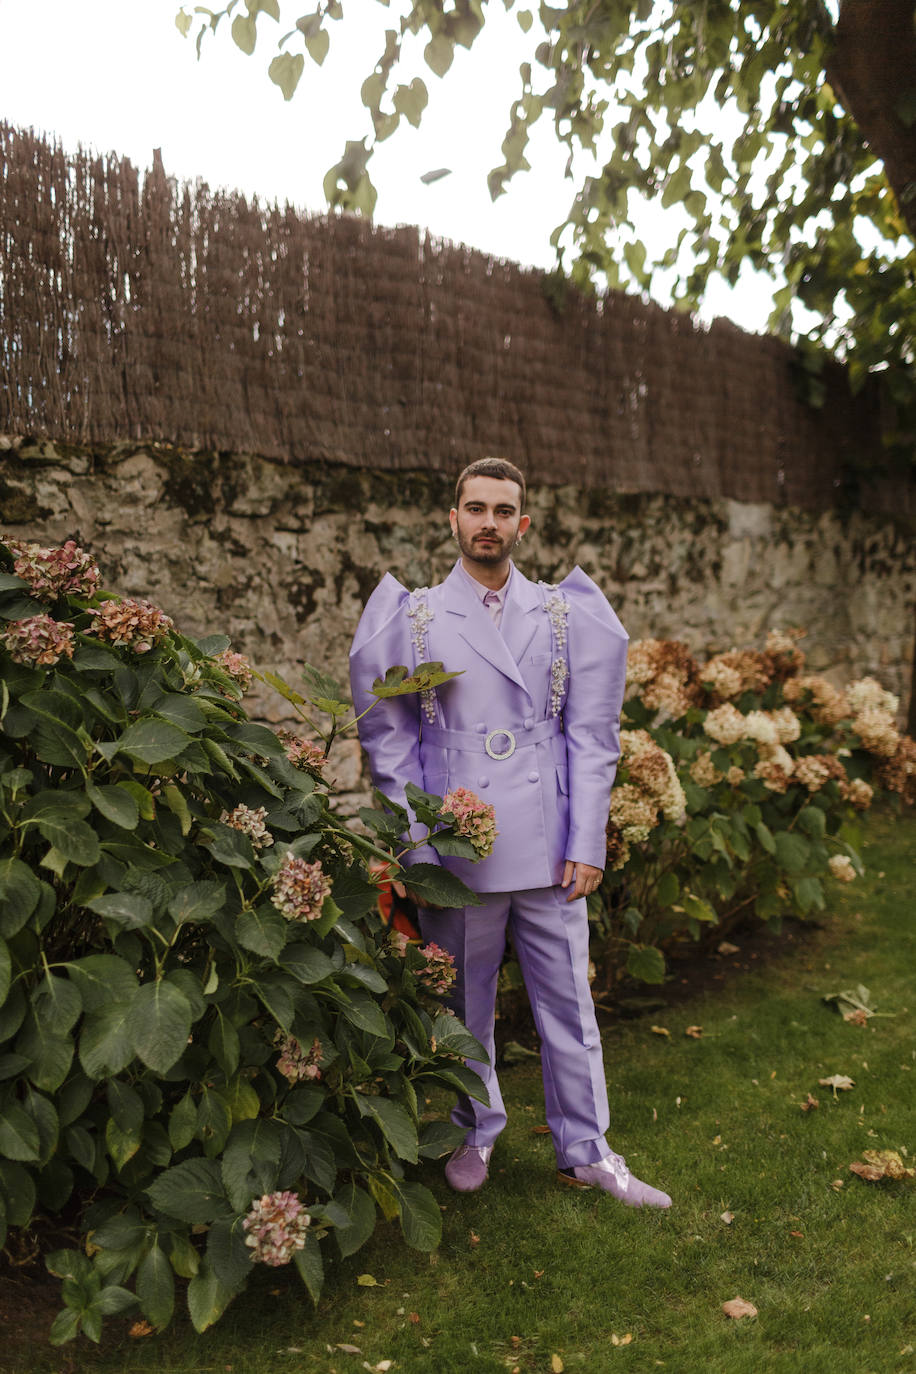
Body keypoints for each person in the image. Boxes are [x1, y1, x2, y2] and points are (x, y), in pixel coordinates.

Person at [348, 458, 671, 1209]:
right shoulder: (416, 616)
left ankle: (586, 1150)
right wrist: (417, 842)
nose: (489, 522)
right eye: (475, 509)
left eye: (504, 510)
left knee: (569, 1004)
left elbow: (592, 734)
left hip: (550, 841)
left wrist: (587, 839)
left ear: (523, 524)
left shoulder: (564, 613)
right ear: (453, 520)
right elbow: (389, 740)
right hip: (457, 848)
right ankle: (475, 1126)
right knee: (465, 1003)